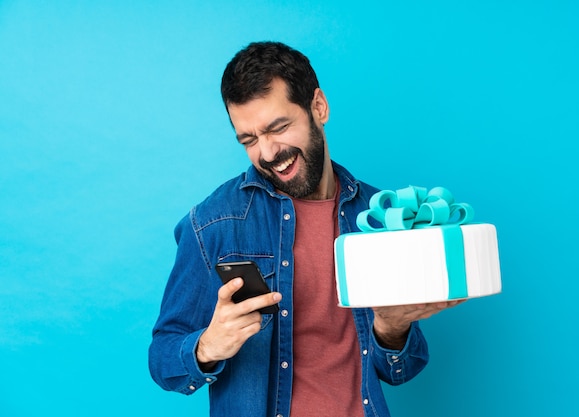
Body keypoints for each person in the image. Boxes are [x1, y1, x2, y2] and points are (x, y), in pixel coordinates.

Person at [148, 41, 461, 417]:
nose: (266, 152)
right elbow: (163, 360)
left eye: (278, 128)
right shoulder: (214, 223)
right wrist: (207, 347)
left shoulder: (379, 218)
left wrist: (391, 328)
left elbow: (401, 370)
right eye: (249, 140)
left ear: (318, 107)